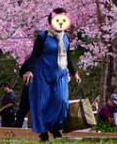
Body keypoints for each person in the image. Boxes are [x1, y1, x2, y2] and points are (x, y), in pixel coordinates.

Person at [22, 8, 81, 141]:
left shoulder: (65, 38)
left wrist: (74, 72)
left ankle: (54, 127)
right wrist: (29, 70)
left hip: (60, 74)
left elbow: (68, 57)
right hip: (42, 74)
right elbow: (35, 55)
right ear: (51, 21)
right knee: (42, 103)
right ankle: (43, 132)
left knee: (61, 101)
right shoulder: (43, 36)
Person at [14, 57, 33, 128]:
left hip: (28, 87)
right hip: (37, 89)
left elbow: (21, 72)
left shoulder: (29, 60)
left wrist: (25, 78)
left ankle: (17, 128)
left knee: (22, 112)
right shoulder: (46, 60)